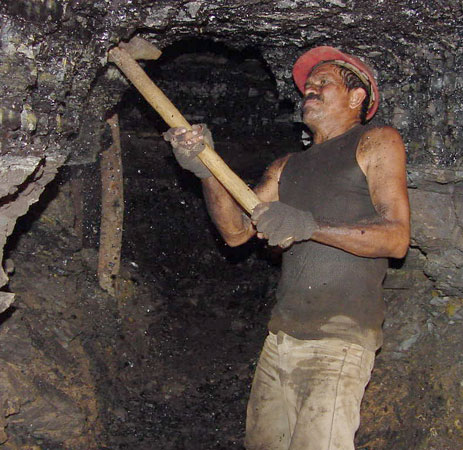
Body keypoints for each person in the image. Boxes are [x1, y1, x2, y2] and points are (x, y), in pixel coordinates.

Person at [163, 46, 410, 450]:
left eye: (323, 82)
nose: (309, 89)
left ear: (356, 96)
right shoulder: (286, 166)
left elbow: (397, 239)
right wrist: (205, 171)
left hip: (338, 339)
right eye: (307, 85)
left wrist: (310, 226)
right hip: (280, 338)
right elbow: (236, 232)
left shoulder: (376, 141)